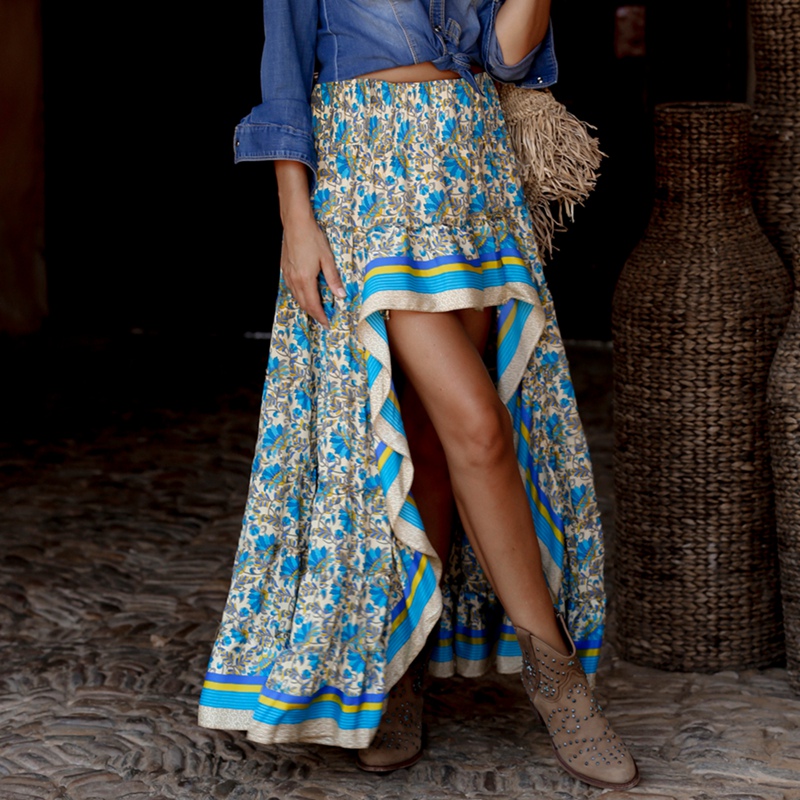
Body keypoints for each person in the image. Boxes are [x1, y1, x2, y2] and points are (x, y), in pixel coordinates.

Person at [198, 0, 639, 790]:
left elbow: (507, 57)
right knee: (480, 427)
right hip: (367, 173)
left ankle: (404, 664)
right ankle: (558, 681)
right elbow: (285, 70)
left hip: (470, 171)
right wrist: (296, 218)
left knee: (433, 439)